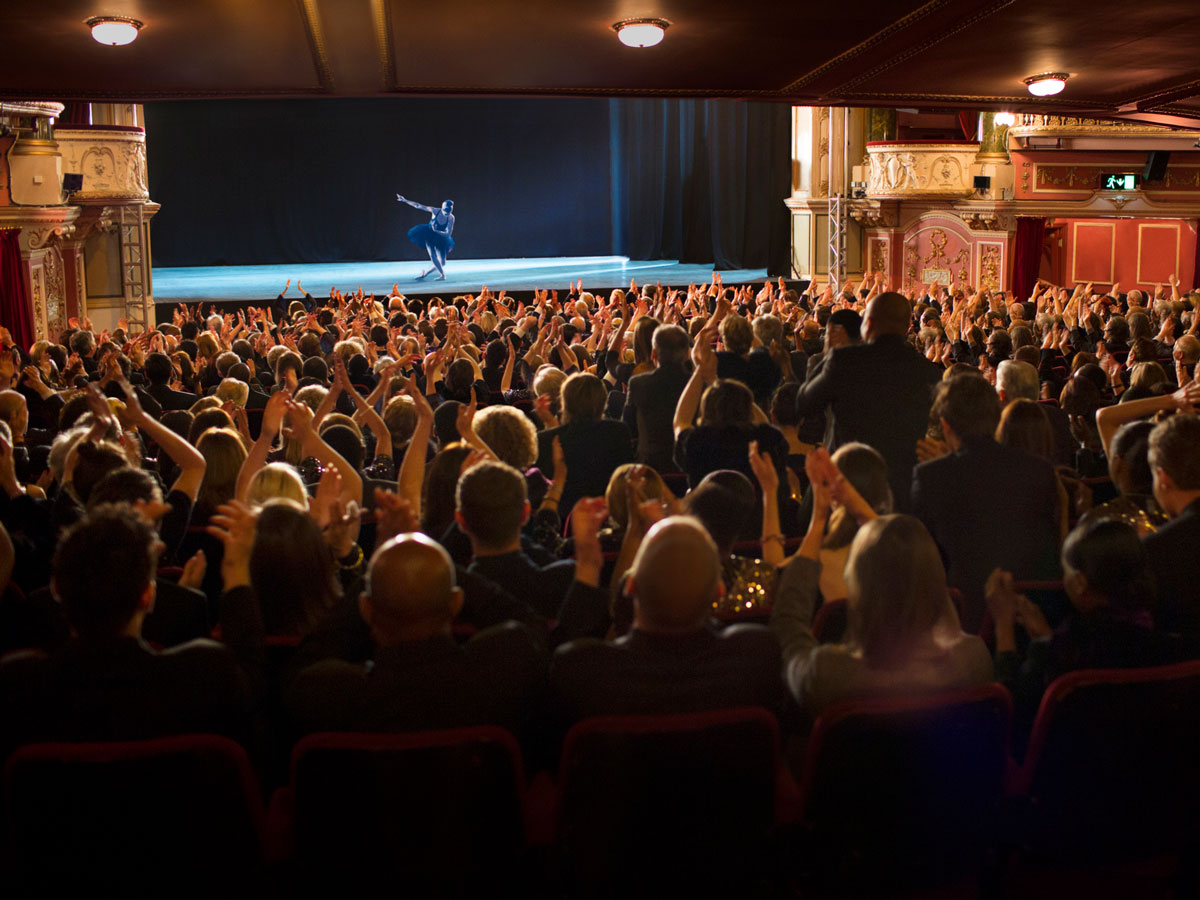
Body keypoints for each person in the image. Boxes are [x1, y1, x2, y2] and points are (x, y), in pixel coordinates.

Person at [0, 505, 264, 758]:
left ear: (56, 590)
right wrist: (237, 572)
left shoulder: (15, 685)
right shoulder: (202, 678)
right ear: (148, 596)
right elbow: (251, 683)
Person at [550, 515, 783, 719]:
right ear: (718, 592)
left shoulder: (584, 672)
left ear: (630, 587)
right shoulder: (758, 656)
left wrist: (588, 567)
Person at [770, 509, 992, 716]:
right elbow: (926, 585)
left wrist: (817, 523)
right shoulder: (973, 662)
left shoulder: (829, 675)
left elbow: (788, 627)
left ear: (857, 590)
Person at [911, 374, 1061, 631]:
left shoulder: (930, 477)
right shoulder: (1040, 471)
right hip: (1032, 616)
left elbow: (923, 558)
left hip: (960, 620)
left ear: (946, 425)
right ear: (996, 417)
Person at [794, 292, 942, 510]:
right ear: (908, 326)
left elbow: (804, 403)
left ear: (868, 323)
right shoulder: (929, 372)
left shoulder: (844, 360)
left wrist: (829, 356)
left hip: (845, 486)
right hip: (901, 493)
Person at [396, 194, 455, 280]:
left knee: (442, 263)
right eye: (446, 210)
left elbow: (448, 234)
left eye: (450, 210)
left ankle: (425, 273)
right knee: (432, 255)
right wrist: (405, 200)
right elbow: (418, 206)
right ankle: (443, 275)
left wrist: (437, 231)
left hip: (440, 237)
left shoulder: (451, 218)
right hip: (429, 234)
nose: (447, 212)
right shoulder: (435, 211)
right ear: (442, 208)